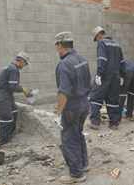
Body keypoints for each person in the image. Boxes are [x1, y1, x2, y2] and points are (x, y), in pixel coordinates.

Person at [54, 32, 91, 184]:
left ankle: (76, 174)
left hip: (71, 107)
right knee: (78, 133)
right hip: (84, 104)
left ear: (60, 45)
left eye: (56, 45)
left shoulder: (64, 64)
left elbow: (64, 92)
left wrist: (58, 110)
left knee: (69, 138)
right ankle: (83, 164)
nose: (56, 48)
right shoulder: (82, 59)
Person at [89, 26, 125, 130]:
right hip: (116, 77)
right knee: (113, 100)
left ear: (99, 35)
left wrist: (99, 74)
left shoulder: (102, 43)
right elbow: (122, 62)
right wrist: (122, 75)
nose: (97, 41)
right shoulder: (117, 45)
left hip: (105, 75)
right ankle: (114, 123)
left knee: (95, 97)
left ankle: (95, 123)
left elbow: (102, 59)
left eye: (96, 38)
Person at [0, 52, 32, 145]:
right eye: (25, 63)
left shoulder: (11, 67)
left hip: (7, 94)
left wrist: (23, 89)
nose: (25, 66)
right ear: (21, 61)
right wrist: (23, 89)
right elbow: (13, 86)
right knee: (6, 117)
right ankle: (3, 140)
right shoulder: (13, 69)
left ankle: (10, 133)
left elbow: (12, 86)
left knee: (14, 111)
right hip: (2, 95)